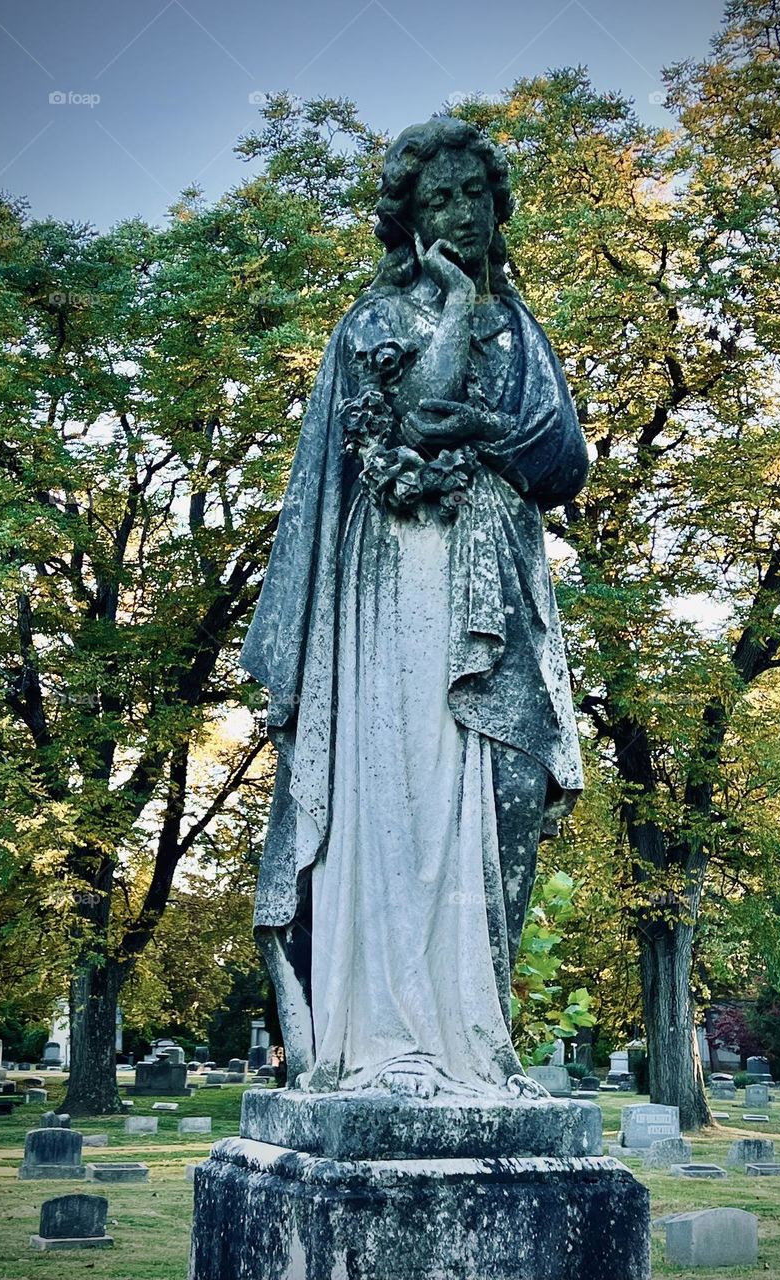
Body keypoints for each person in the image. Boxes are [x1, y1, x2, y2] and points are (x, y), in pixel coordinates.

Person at [240, 116, 588, 1100]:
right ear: (409, 219)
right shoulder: (374, 323)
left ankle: (478, 1041)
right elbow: (407, 429)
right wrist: (452, 323)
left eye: (475, 195)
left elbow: (562, 459)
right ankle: (392, 1039)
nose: (462, 212)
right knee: (403, 797)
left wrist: (480, 414)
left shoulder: (521, 327)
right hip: (398, 584)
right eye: (439, 199)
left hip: (498, 580)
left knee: (506, 793)